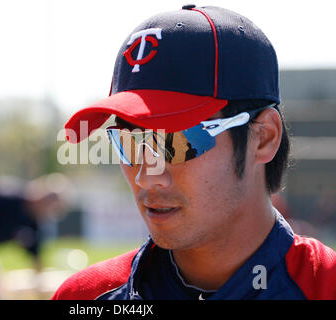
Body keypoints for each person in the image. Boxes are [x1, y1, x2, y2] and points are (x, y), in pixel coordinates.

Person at [52, 5, 335, 300]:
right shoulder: (84, 298)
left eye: (178, 141)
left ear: (263, 138)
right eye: (129, 143)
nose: (148, 177)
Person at [0, 176, 64, 299]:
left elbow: (36, 258)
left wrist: (40, 292)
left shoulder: (33, 223)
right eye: (47, 201)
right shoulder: (9, 197)